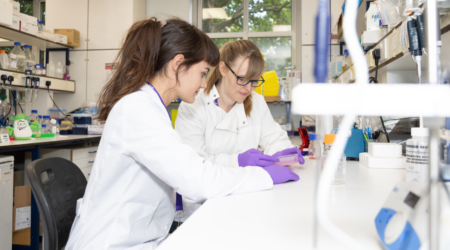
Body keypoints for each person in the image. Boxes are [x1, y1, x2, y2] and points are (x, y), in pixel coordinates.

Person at [65, 18, 299, 250]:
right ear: (178, 64)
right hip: (112, 242)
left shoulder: (151, 106)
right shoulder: (137, 109)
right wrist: (265, 177)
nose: (204, 83)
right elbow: (197, 179)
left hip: (143, 237)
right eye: (202, 73)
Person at [174, 40, 304, 223]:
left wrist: (282, 153)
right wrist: (237, 161)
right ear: (223, 69)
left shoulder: (256, 101)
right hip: (203, 209)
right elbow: (194, 165)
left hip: (247, 198)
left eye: (254, 80)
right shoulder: (194, 104)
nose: (249, 88)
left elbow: (274, 138)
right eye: (242, 79)